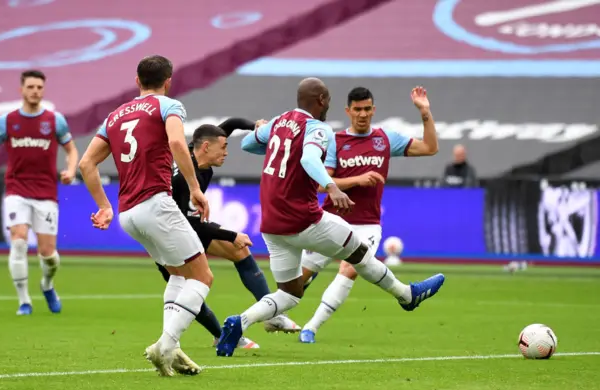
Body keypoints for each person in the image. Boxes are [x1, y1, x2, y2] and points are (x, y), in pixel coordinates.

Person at [215, 77, 445, 357]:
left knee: (290, 293)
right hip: (304, 218)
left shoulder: (278, 122)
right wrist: (333, 187)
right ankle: (407, 296)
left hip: (272, 225)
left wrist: (271, 136)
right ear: (322, 101)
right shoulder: (318, 128)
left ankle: (238, 323)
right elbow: (310, 160)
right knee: (359, 252)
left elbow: (248, 144)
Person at [78, 55, 211, 377]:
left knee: (178, 274)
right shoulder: (168, 105)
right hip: (156, 203)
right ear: (169, 81)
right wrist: (195, 187)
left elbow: (85, 164)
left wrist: (104, 206)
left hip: (128, 213)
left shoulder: (113, 116)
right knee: (203, 276)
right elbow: (178, 141)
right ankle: (165, 344)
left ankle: (172, 347)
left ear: (137, 81)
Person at [298, 86, 439, 343]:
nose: (362, 114)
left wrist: (425, 112)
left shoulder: (384, 139)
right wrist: (358, 180)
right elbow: (320, 184)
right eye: (357, 109)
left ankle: (311, 327)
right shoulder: (335, 141)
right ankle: (272, 315)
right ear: (348, 111)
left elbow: (430, 148)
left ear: (373, 110)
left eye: (367, 109)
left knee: (351, 268)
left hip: (367, 225)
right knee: (295, 284)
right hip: (331, 220)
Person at [155, 120, 300, 350]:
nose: (226, 153)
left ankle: (271, 314)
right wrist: (232, 234)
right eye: (223, 148)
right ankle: (221, 335)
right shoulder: (183, 178)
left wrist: (255, 126)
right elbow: (191, 225)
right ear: (205, 148)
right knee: (190, 285)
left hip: (186, 226)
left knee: (238, 251)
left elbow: (225, 128)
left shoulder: (202, 157)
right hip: (168, 236)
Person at [0, 70, 79, 316]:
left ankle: (47, 285)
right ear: (21, 90)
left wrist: (71, 169)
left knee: (49, 256)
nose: (35, 91)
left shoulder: (54, 121)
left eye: (39, 87)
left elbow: (72, 150)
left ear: (43, 90)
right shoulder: (8, 121)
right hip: (16, 190)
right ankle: (24, 301)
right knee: (19, 241)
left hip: (45, 193)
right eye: (31, 87)